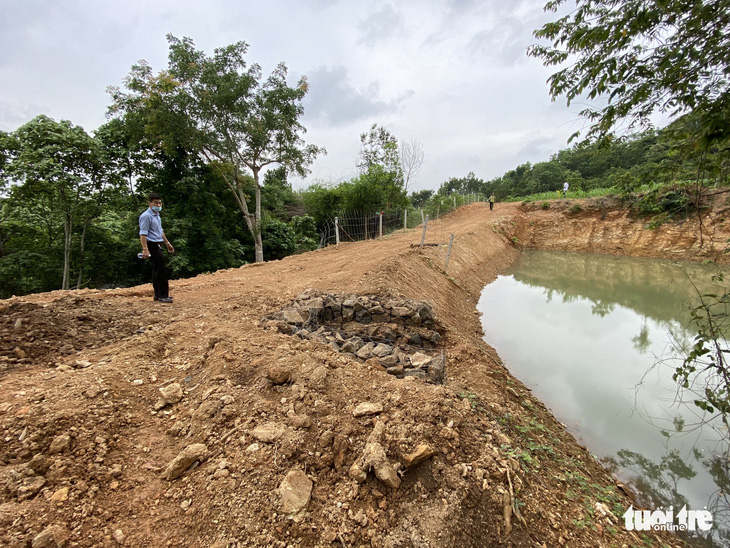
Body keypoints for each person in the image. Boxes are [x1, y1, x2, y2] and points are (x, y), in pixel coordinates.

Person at [139, 193, 175, 303]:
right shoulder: (146, 216)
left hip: (157, 244)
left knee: (157, 270)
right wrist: (145, 249)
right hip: (151, 245)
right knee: (161, 271)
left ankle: (158, 295)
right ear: (150, 203)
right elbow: (143, 234)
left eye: (160, 203)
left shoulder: (156, 215)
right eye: (156, 203)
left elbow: (160, 231)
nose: (158, 205)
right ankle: (163, 295)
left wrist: (167, 243)